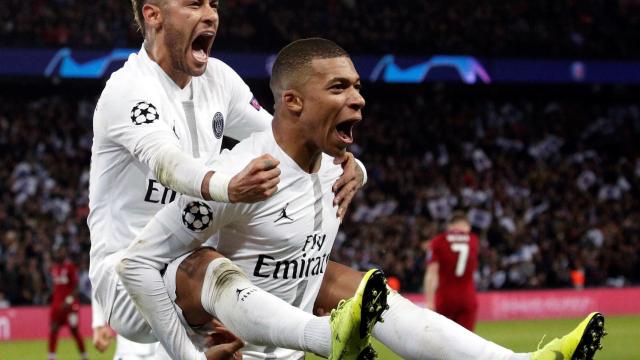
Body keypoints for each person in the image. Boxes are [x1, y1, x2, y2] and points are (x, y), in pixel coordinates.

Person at [121, 37, 606, 360]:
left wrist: (362, 171)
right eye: (339, 87)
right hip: (212, 350)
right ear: (293, 101)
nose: (359, 98)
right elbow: (136, 264)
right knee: (199, 262)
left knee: (358, 288)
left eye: (357, 86)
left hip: (282, 349)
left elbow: (340, 175)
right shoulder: (241, 174)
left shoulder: (337, 170)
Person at [88, 0, 366, 357]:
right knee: (214, 264)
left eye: (213, 4)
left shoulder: (218, 79)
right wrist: (226, 187)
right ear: (152, 14)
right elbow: (166, 163)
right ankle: (321, 337)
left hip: (199, 277)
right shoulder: (128, 90)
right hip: (132, 280)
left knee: (314, 271)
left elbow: (288, 139)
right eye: (193, 4)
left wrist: (356, 169)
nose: (210, 15)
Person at [424, 212, 479, 331]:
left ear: (450, 226)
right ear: (466, 226)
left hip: (445, 298)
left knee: (442, 342)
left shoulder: (439, 241)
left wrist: (429, 301)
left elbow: (431, 274)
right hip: (467, 297)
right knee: (466, 342)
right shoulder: (473, 240)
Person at [48, 246, 87, 360]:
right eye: (58, 252)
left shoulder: (70, 267)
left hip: (70, 306)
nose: (59, 254)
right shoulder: (54, 268)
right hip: (57, 306)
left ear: (65, 254)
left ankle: (84, 356)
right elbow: (57, 287)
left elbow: (76, 287)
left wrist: (69, 300)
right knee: (53, 329)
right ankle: (51, 357)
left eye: (62, 252)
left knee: (74, 330)